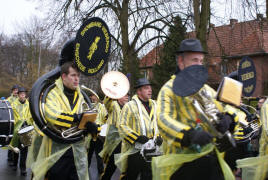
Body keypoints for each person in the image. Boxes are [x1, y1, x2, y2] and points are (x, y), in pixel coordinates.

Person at [155, 39, 240, 180]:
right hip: (182, 165)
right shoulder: (168, 89)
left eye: (201, 61)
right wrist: (188, 135)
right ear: (181, 62)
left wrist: (229, 118)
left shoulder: (206, 89)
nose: (199, 65)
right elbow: (163, 120)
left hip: (211, 161)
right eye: (195, 60)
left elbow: (227, 108)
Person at [28, 39, 99, 180]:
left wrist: (91, 127)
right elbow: (52, 115)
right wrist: (76, 118)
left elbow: (90, 114)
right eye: (73, 75)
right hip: (56, 151)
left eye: (78, 76)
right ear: (64, 76)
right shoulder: (52, 92)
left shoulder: (81, 95)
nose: (77, 79)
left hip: (77, 150)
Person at [118, 78, 162, 180]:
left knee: (149, 176)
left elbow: (158, 123)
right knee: (131, 176)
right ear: (138, 91)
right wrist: (137, 138)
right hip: (136, 150)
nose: (150, 90)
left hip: (152, 149)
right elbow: (122, 126)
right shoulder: (129, 106)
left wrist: (159, 136)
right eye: (146, 88)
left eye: (150, 88)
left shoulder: (155, 105)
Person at [99, 93, 129, 180]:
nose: (127, 97)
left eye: (128, 95)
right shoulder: (113, 105)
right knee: (110, 168)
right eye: (125, 95)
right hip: (114, 143)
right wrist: (112, 92)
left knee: (125, 169)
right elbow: (107, 102)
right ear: (119, 97)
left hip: (125, 142)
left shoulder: (128, 107)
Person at [9, 87, 32, 176]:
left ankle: (23, 168)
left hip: (26, 129)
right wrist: (19, 122)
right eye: (21, 94)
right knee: (16, 148)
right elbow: (13, 116)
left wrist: (27, 121)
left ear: (25, 95)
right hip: (16, 129)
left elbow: (30, 115)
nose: (23, 95)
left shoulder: (29, 104)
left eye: (24, 94)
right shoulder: (13, 104)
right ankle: (15, 164)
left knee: (24, 150)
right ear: (18, 95)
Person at [87, 94, 107, 175]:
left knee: (99, 154)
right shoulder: (88, 105)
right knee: (88, 154)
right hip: (89, 135)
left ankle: (101, 171)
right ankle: (85, 170)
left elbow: (105, 118)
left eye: (94, 96)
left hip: (99, 135)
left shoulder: (101, 107)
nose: (93, 97)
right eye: (91, 96)